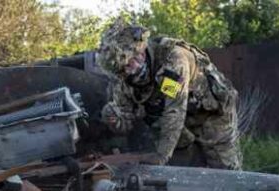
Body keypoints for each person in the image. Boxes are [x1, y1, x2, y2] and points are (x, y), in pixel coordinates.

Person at [97, 20, 242, 170]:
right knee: (183, 171)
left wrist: (162, 156)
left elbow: (174, 110)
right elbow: (126, 119)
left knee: (224, 169)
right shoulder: (124, 80)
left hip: (210, 114)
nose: (131, 70)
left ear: (141, 50)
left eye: (132, 62)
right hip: (178, 125)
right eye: (124, 67)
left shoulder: (172, 60)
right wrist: (114, 119)